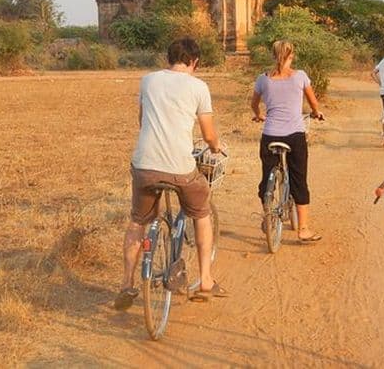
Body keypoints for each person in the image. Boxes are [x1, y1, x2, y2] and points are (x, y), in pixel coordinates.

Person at [115, 37, 226, 310]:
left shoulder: (148, 80)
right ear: (195, 61)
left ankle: (127, 284)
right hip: (180, 167)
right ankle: (206, 280)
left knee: (137, 223)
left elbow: (142, 122)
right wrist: (216, 146)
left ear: (169, 58)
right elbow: (209, 135)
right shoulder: (199, 87)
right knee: (201, 213)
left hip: (145, 164)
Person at [251, 40, 323, 243]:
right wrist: (317, 113)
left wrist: (258, 115)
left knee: (267, 179)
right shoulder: (300, 76)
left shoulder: (263, 79)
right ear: (291, 56)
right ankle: (304, 229)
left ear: (273, 56)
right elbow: (313, 102)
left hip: (270, 135)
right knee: (299, 180)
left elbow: (254, 104)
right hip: (294, 135)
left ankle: (268, 212)